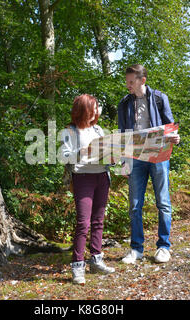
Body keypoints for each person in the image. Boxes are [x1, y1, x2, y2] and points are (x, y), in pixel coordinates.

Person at [117, 64, 180, 264]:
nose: (127, 85)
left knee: (163, 202)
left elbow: (170, 126)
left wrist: (175, 138)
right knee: (134, 205)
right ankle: (136, 249)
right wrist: (124, 164)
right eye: (126, 81)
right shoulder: (124, 103)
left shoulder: (160, 98)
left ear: (142, 80)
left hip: (159, 155)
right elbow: (122, 134)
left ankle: (163, 247)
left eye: (131, 81)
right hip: (135, 157)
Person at [60, 94, 115, 284]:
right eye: (92, 108)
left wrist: (114, 157)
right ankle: (77, 266)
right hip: (83, 178)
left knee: (98, 220)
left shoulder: (98, 129)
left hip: (102, 176)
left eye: (96, 108)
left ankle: (96, 259)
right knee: (83, 223)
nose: (95, 112)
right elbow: (64, 157)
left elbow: (107, 153)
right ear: (84, 110)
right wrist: (84, 151)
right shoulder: (70, 131)